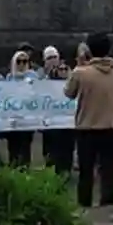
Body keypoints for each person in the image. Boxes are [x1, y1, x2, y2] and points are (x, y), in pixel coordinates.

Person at [64, 32, 113, 208]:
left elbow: (68, 93)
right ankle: (107, 207)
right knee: (109, 174)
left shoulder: (80, 73)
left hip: (87, 129)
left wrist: (80, 65)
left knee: (86, 174)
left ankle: (84, 207)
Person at [40, 46, 74, 177]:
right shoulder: (41, 76)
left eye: (55, 57)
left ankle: (66, 170)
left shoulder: (66, 71)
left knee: (67, 145)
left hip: (67, 118)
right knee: (50, 147)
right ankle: (50, 170)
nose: (53, 60)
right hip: (50, 120)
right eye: (49, 58)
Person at [3, 50, 37, 168]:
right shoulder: (9, 77)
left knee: (26, 147)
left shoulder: (33, 76)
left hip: (28, 119)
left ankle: (25, 173)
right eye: (19, 61)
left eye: (25, 61)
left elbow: (37, 94)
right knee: (13, 148)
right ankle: (13, 172)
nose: (22, 64)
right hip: (13, 119)